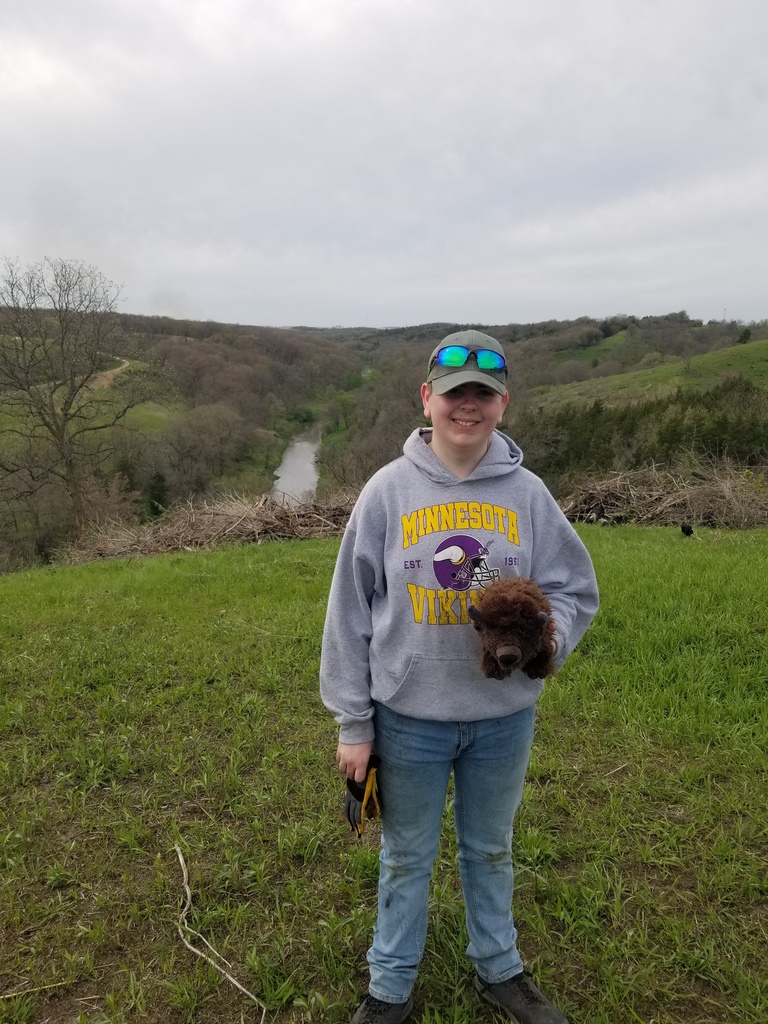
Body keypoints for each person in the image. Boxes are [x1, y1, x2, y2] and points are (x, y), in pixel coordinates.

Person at [320, 330, 599, 1024]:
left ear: (503, 404)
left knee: (490, 848)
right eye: (453, 395)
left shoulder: (529, 495)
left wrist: (545, 636)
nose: (465, 407)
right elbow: (348, 611)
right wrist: (355, 725)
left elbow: (574, 587)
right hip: (409, 718)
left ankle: (499, 969)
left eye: (481, 395)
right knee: (406, 855)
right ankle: (390, 988)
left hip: (503, 719)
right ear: (427, 399)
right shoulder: (387, 491)